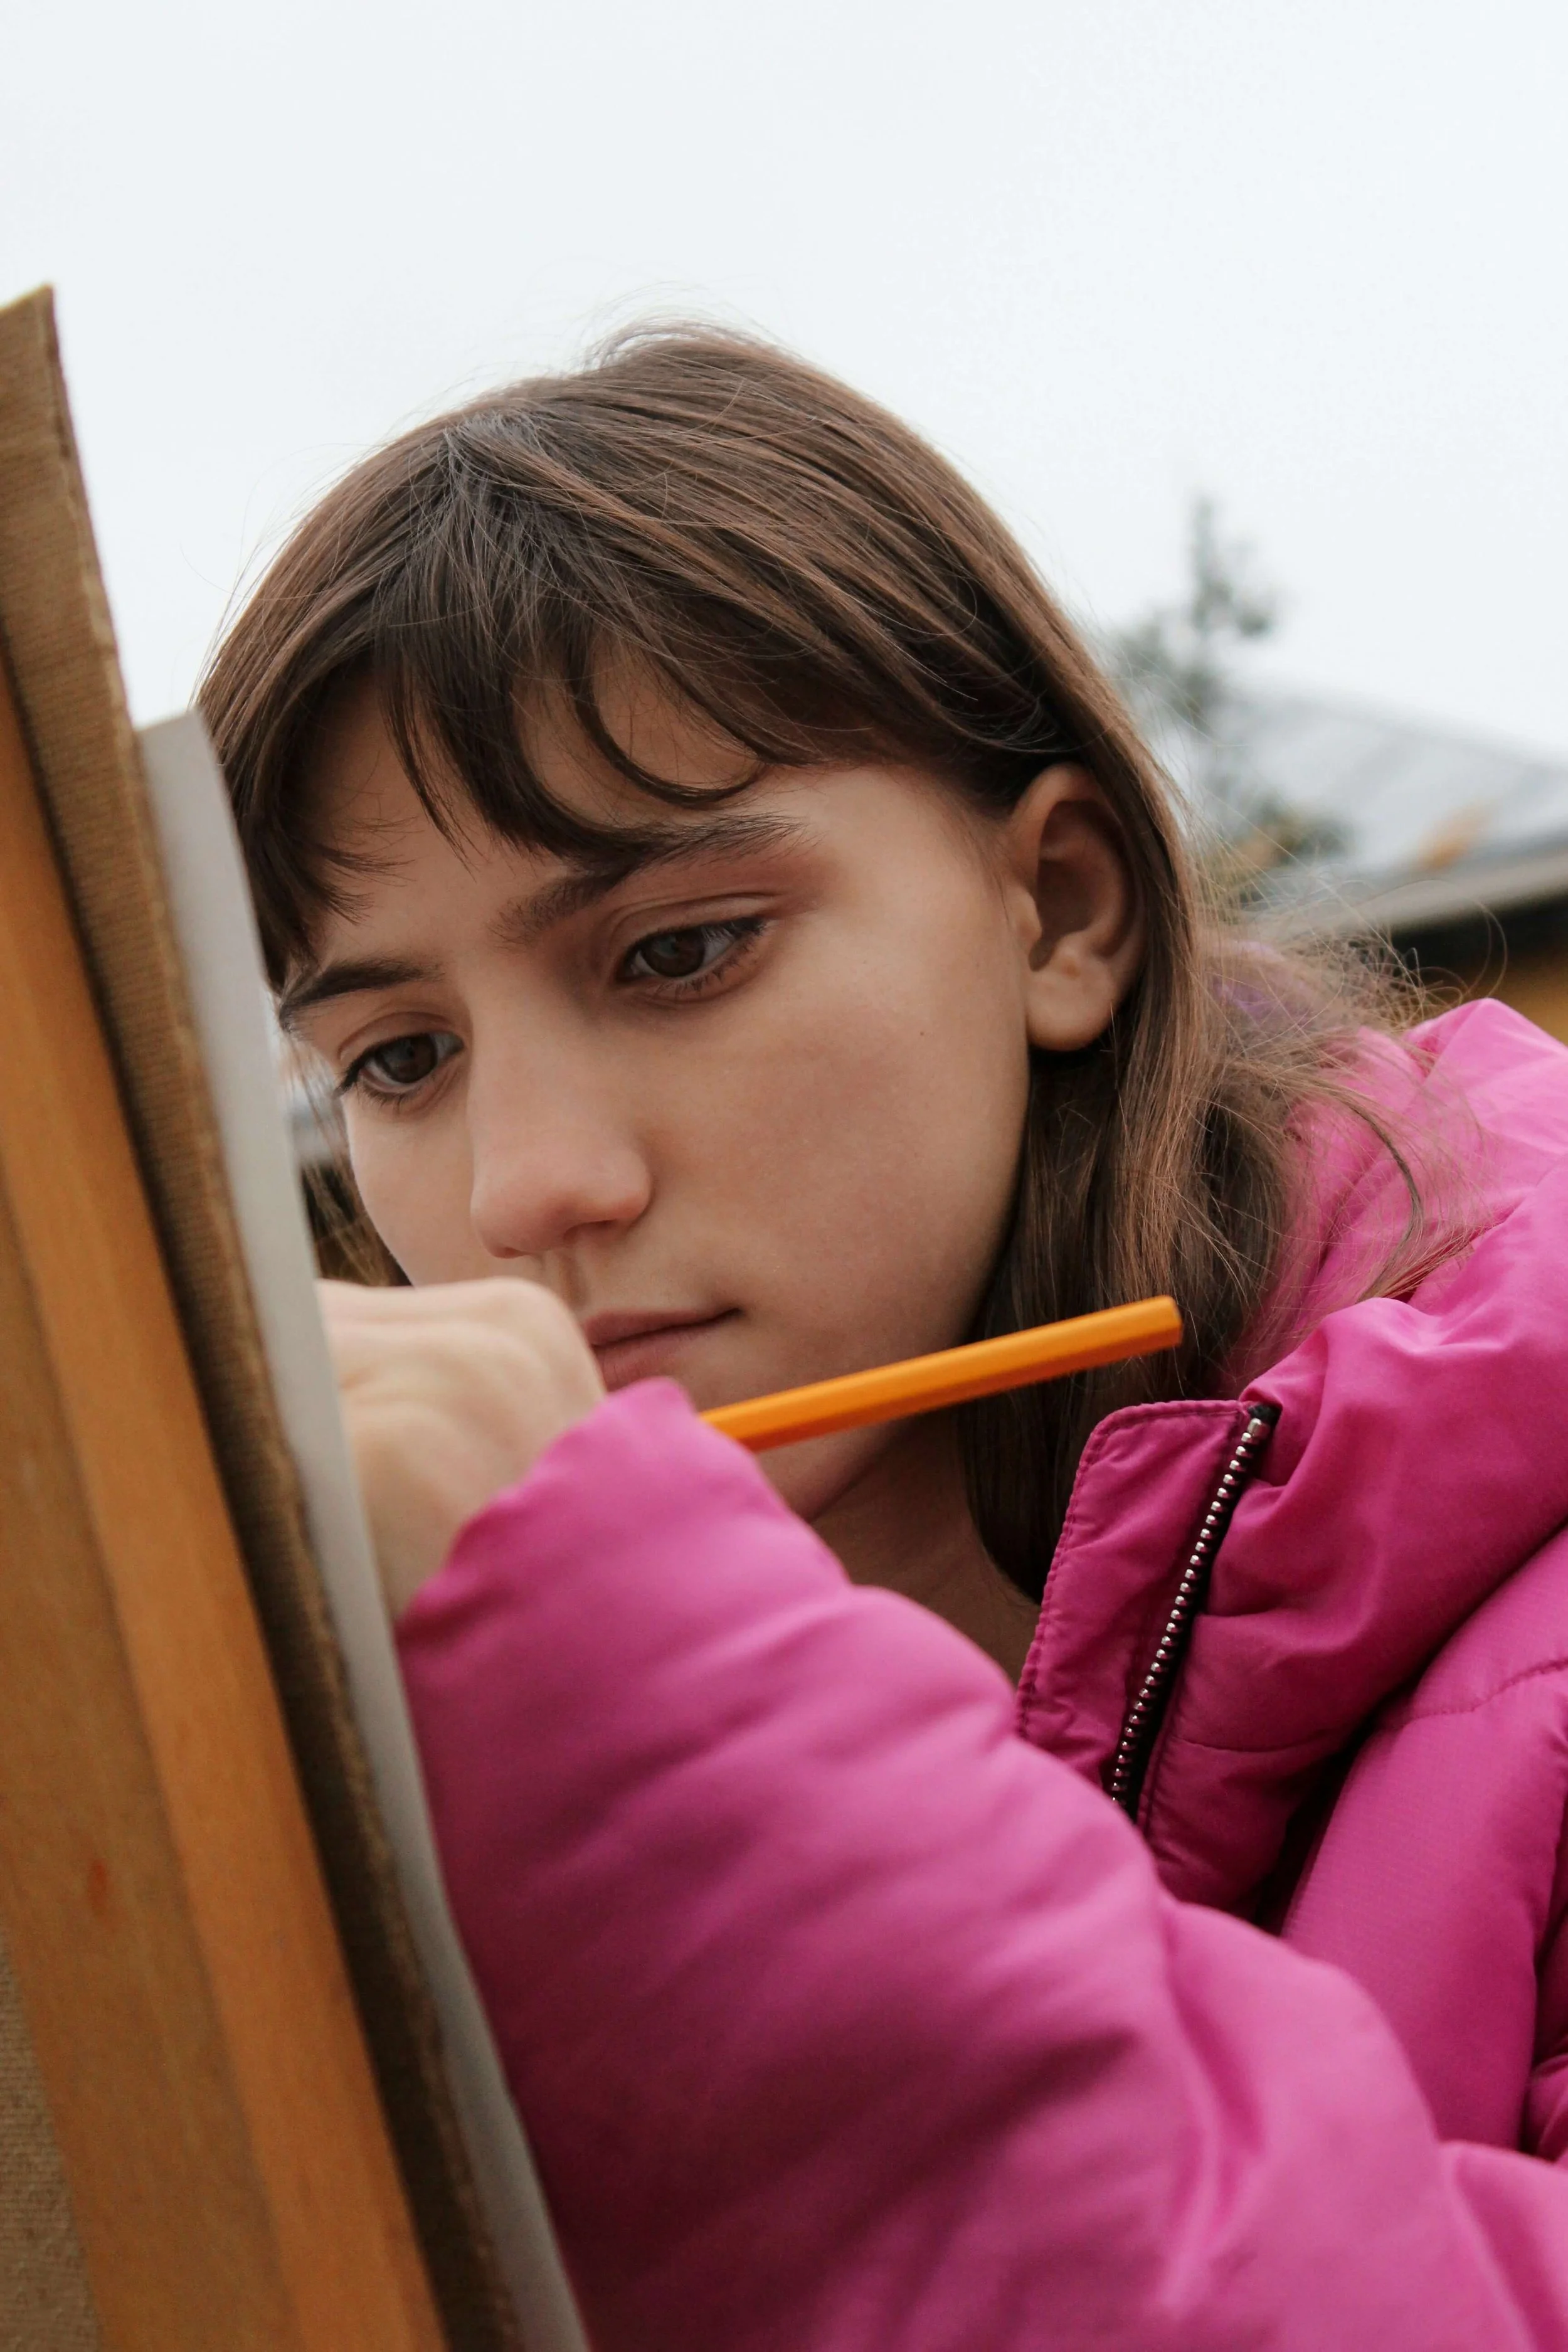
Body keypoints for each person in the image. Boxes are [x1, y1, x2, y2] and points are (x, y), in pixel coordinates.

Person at [201, 329, 1568, 2348]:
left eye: (677, 950)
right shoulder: (352, 1754)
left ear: (1061, 912)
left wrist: (672, 1751)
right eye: (397, 1056)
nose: (522, 1189)